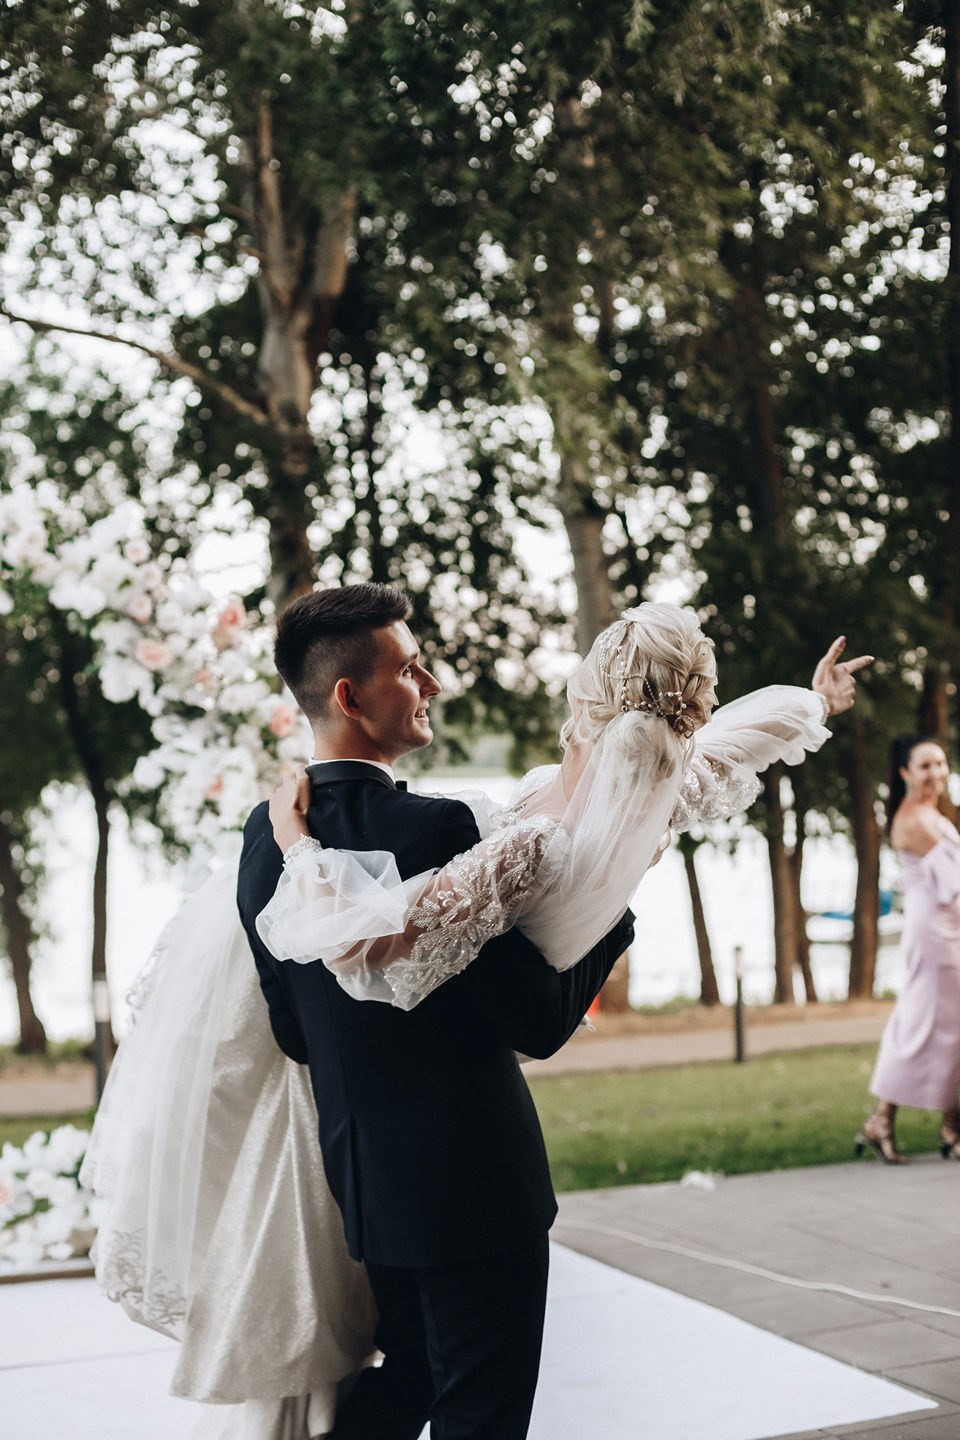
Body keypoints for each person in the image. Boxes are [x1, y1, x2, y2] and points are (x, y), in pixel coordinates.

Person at [81, 586, 867, 1440]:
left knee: (413, 1370)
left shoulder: (266, 834)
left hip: (363, 1189)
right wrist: (611, 918)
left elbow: (292, 1031)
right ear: (350, 696)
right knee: (482, 1411)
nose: (434, 681)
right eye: (411, 667)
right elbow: (536, 1020)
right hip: (477, 1188)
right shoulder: (441, 829)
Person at [857, 734, 960, 1165]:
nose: (935, 773)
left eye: (940, 763)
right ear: (904, 773)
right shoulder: (914, 821)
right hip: (937, 935)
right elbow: (954, 883)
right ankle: (938, 1124)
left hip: (948, 927)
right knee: (927, 1025)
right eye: (925, 766)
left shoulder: (929, 813)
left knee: (940, 1025)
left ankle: (935, 1123)